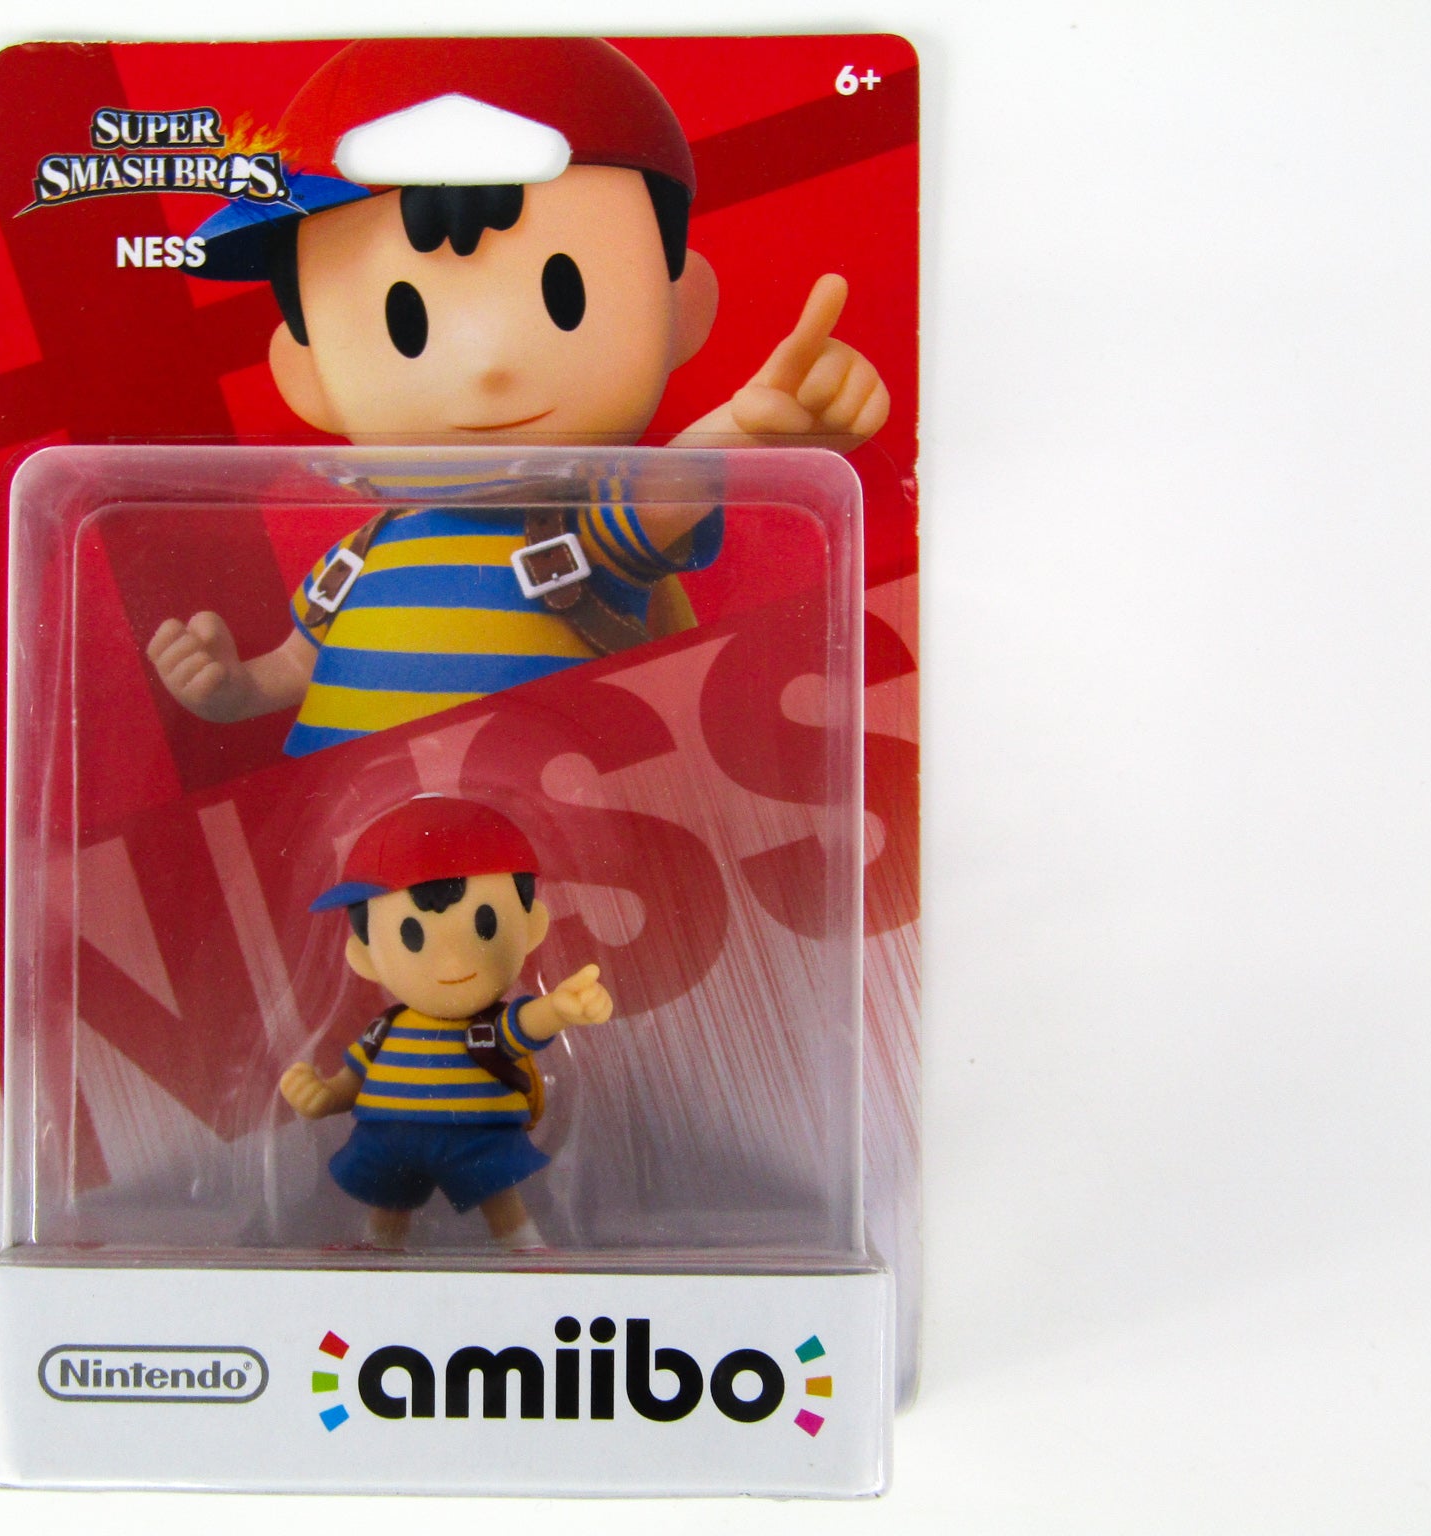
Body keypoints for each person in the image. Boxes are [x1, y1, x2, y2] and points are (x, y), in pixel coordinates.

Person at [148, 38, 889, 754]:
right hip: (350, 814)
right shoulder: (356, 555)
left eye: (564, 297)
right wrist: (232, 691)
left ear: (680, 310)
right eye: (408, 325)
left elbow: (667, 490)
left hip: (548, 808)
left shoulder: (583, 532)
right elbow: (294, 666)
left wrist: (745, 431)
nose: (488, 364)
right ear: (306, 376)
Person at [280, 797, 614, 1249]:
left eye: (485, 925)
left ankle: (525, 1249)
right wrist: (322, 1097)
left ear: (532, 926)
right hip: (390, 1138)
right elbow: (353, 1081)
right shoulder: (385, 1031)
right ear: (364, 956)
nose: (452, 962)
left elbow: (526, 1024)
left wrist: (559, 1008)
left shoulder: (488, 1027)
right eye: (412, 936)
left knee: (498, 1194)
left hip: (477, 1134)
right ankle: (378, 1251)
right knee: (387, 1197)